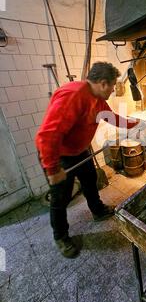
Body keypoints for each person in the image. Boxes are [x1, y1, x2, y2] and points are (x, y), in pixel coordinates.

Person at [36, 62, 140, 258]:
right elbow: (47, 136)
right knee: (60, 198)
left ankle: (98, 210)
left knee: (90, 180)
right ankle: (61, 236)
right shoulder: (73, 95)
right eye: (112, 86)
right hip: (58, 155)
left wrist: (138, 124)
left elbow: (113, 118)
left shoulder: (98, 100)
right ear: (103, 83)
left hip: (79, 150)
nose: (113, 90)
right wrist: (52, 169)